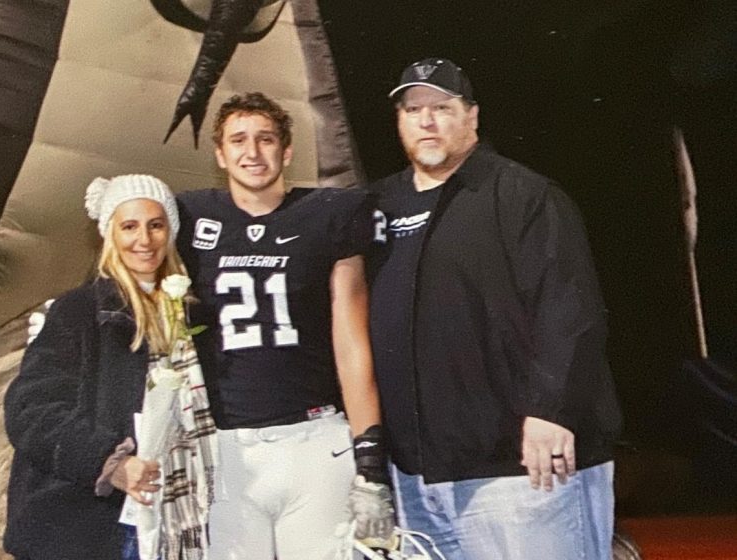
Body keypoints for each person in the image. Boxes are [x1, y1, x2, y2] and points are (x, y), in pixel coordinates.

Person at [365, 58, 622, 559]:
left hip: (520, 471)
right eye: (413, 110)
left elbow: (569, 309)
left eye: (442, 107)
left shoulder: (523, 194)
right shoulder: (377, 206)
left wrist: (551, 411)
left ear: (473, 117)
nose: (427, 121)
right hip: (418, 482)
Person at [176, 92, 393, 560]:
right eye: (238, 140)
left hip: (313, 441)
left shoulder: (328, 215)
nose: (252, 152)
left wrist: (369, 455)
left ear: (287, 151)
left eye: (265, 139)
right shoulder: (188, 218)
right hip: (225, 448)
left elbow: (351, 342)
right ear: (219, 154)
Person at [4, 174, 217, 560]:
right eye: (129, 226)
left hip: (174, 519)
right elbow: (30, 411)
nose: (144, 239)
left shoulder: (193, 315)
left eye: (156, 225)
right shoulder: (76, 313)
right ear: (109, 235)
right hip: (86, 526)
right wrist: (108, 462)